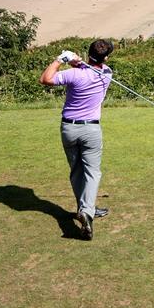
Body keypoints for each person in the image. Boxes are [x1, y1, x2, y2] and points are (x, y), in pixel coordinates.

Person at [39, 39, 114, 240]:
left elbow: (45, 79)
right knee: (92, 173)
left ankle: (86, 208)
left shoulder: (72, 75)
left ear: (88, 53)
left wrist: (61, 59)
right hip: (91, 129)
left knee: (76, 171)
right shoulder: (107, 74)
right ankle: (87, 212)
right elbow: (90, 68)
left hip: (69, 129)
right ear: (105, 58)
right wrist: (77, 62)